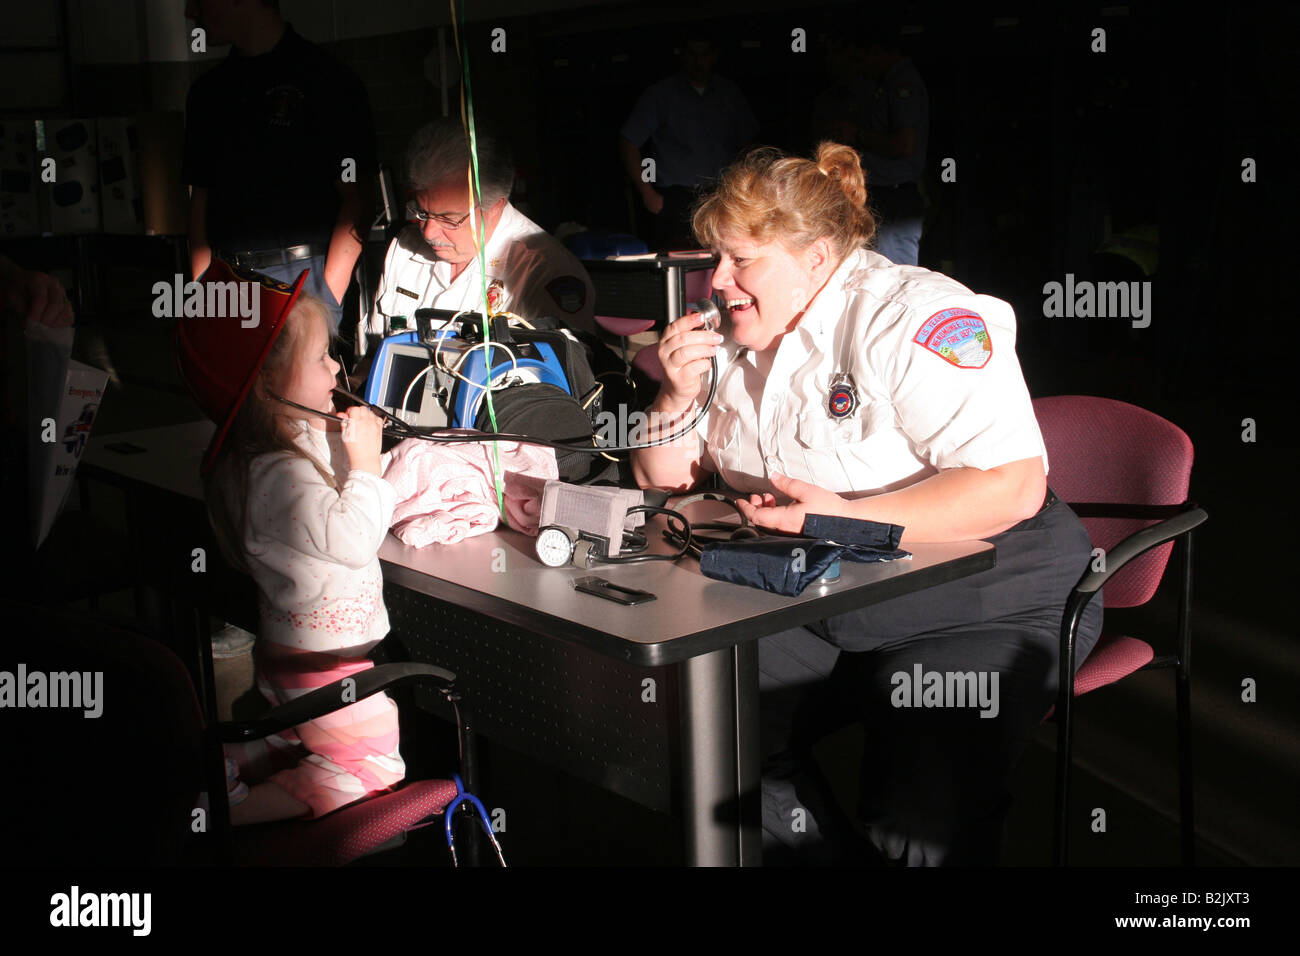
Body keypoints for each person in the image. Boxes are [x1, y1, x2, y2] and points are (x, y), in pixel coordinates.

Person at [631, 143, 1102, 865]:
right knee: (700, 732)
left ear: (817, 259)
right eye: (714, 257)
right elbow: (664, 481)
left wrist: (847, 518)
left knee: (918, 815)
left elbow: (1012, 486)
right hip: (824, 592)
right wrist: (674, 395)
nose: (717, 280)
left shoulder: (915, 316)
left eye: (741, 259)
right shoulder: (734, 327)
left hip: (983, 590)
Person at [177, 260, 403, 824]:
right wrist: (367, 465)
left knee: (298, 737)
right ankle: (232, 813)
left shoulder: (254, 459)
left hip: (288, 657)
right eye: (322, 357)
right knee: (370, 769)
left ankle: (225, 763)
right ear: (270, 385)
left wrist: (336, 434)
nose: (336, 368)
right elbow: (352, 538)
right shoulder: (281, 475)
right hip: (330, 664)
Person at [182, 0, 375, 335]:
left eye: (199, 1)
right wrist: (203, 291)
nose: (190, 13)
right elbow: (201, 198)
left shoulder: (327, 80)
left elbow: (357, 196)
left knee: (298, 386)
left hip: (303, 279)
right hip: (228, 282)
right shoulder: (208, 94)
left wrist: (326, 298)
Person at [370, 119, 597, 338]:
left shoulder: (543, 272)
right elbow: (372, 355)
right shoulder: (405, 248)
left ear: (495, 207)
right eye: (422, 212)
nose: (428, 232)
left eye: (448, 219)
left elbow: (554, 373)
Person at [619, 33, 758, 250]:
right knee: (676, 266)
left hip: (720, 195)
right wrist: (647, 193)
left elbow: (749, 145)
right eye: (692, 54)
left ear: (714, 56)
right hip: (674, 198)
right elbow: (630, 141)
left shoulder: (728, 93)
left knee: (721, 258)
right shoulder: (661, 94)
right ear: (682, 56)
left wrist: (747, 191)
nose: (697, 61)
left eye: (703, 54)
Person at [813, 27, 928, 266]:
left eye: (861, 58)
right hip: (880, 193)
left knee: (893, 271)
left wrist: (857, 134)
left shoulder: (902, 83)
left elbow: (904, 144)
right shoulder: (880, 84)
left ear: (877, 52)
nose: (861, 66)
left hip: (895, 196)